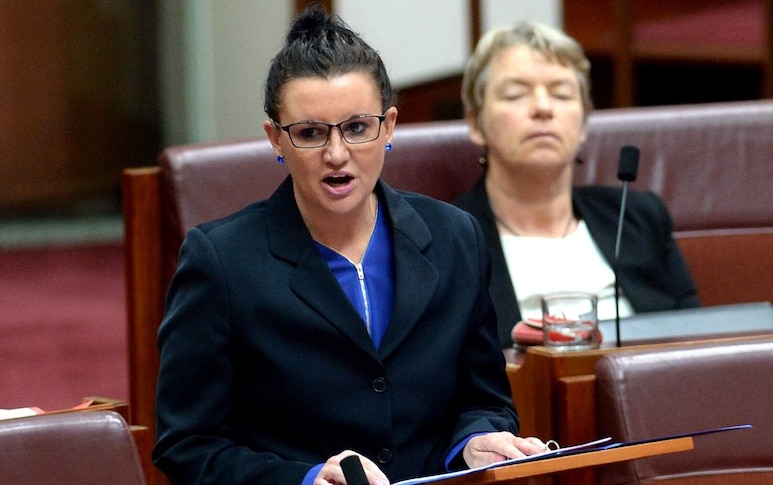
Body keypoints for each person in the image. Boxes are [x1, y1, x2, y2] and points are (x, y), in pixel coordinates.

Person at [151, 6, 546, 485]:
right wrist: (305, 479)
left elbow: (484, 399)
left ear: (389, 126)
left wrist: (476, 440)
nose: (337, 155)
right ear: (276, 139)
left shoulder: (455, 237)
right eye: (311, 133)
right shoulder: (221, 261)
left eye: (357, 128)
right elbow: (186, 444)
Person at [454, 21, 700, 349]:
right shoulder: (448, 238)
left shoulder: (638, 217)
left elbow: (698, 342)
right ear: (475, 123)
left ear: (583, 121)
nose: (543, 108)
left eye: (561, 93)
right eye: (516, 94)